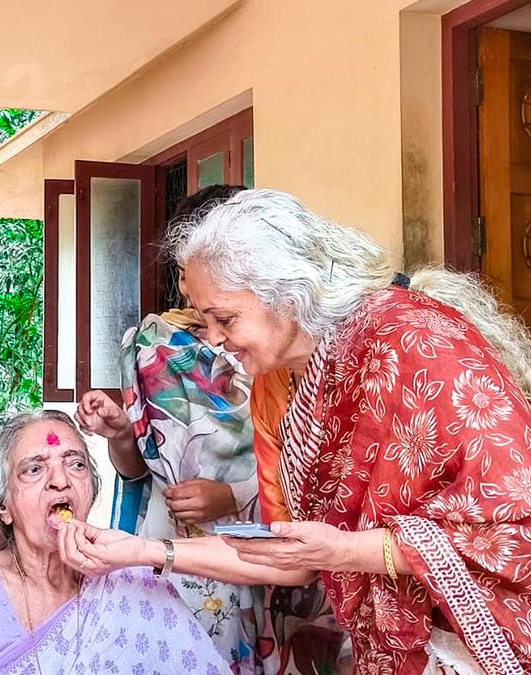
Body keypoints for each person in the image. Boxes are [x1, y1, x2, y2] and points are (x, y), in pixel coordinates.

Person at [58, 189, 531, 672]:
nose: (211, 339)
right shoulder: (274, 387)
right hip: (419, 634)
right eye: (204, 318)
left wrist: (345, 549)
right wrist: (143, 552)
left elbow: (529, 524)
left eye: (224, 318)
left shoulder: (411, 343)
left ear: (287, 293)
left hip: (527, 621)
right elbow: (293, 557)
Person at [77, 185, 344, 672]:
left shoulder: (314, 357)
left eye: (225, 316)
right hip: (202, 554)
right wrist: (121, 435)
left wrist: (235, 494)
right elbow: (143, 469)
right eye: (186, 272)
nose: (216, 335)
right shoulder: (158, 346)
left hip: (304, 555)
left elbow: (328, 496)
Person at [0, 410, 306, 674]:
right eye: (34, 469)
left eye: (75, 464)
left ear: (91, 489)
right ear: (4, 506)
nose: (60, 479)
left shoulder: (132, 580)